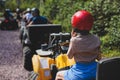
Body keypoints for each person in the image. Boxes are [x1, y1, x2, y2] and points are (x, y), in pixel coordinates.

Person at [55, 10, 102, 80]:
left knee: (58, 74)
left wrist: (72, 37)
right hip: (95, 70)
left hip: (79, 72)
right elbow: (98, 57)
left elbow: (69, 56)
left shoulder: (74, 40)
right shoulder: (96, 38)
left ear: (75, 25)